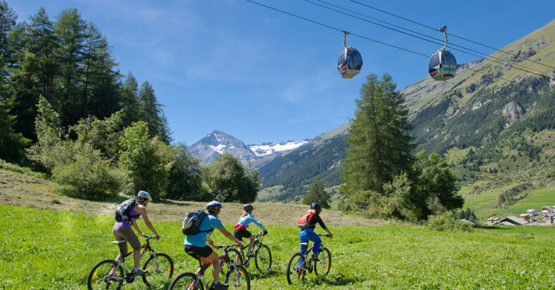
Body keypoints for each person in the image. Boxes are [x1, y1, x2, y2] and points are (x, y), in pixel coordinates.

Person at [184, 201, 243, 290]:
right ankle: (217, 284)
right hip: (198, 246)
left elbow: (203, 233)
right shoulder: (214, 219)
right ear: (216, 210)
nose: (219, 212)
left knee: (206, 263)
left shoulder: (202, 218)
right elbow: (226, 233)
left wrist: (212, 244)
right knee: (215, 259)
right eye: (219, 210)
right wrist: (238, 241)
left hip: (187, 245)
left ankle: (193, 284)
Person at [113, 190, 160, 276]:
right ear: (143, 200)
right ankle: (135, 269)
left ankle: (112, 273)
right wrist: (156, 234)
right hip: (124, 228)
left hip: (116, 228)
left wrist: (140, 232)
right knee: (137, 247)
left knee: (123, 253)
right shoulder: (141, 208)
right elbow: (148, 223)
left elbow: (133, 222)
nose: (147, 203)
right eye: (147, 201)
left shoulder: (131, 206)